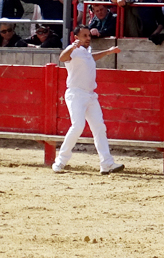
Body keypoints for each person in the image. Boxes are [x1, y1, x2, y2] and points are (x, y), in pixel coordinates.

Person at [52, 27, 123, 175]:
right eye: (84, 35)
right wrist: (73, 46)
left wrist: (108, 52)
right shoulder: (74, 50)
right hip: (76, 94)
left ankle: (107, 163)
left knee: (99, 127)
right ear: (76, 36)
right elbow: (62, 58)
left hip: (90, 95)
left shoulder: (86, 52)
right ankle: (60, 161)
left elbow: (92, 57)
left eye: (89, 35)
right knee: (78, 126)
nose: (88, 38)